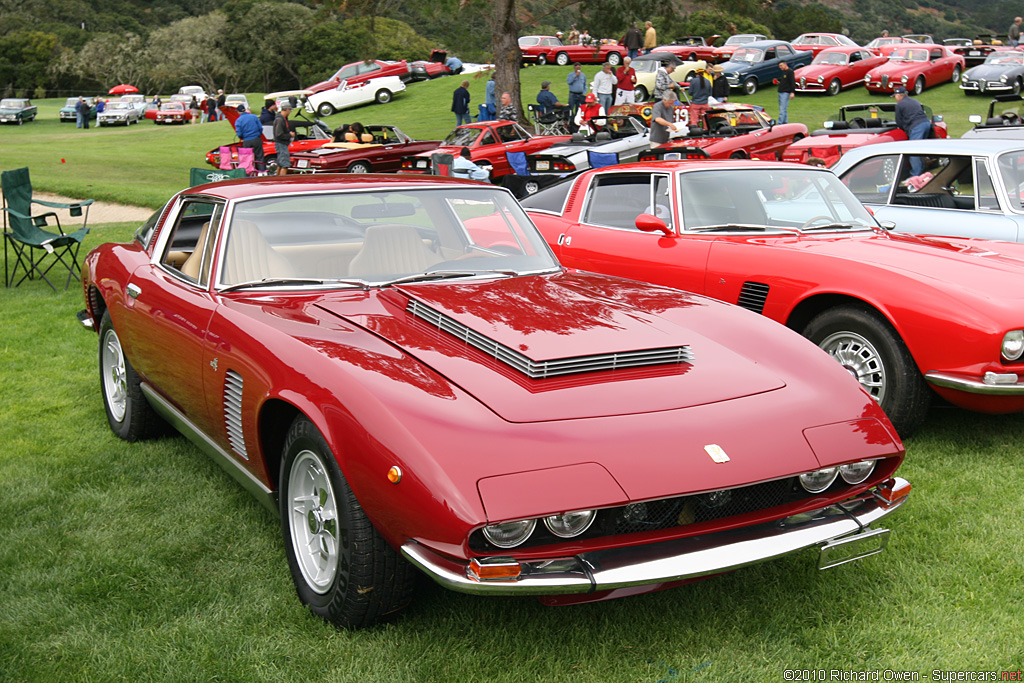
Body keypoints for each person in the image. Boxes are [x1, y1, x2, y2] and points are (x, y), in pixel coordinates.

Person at [893, 85, 932, 176]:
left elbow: (899, 121)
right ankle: (922, 169)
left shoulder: (900, 104)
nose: (895, 98)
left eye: (895, 95)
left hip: (917, 127)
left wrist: (904, 130)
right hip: (926, 124)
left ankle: (915, 175)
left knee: (913, 151)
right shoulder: (914, 100)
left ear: (899, 95)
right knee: (920, 149)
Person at [234, 105, 265, 172]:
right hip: (256, 139)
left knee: (247, 158)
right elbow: (260, 128)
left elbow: (239, 133)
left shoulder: (238, 121)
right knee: (260, 157)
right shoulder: (253, 116)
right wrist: (258, 134)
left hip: (247, 141)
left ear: (238, 112)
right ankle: (262, 172)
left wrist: (242, 137)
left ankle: (249, 172)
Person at [273, 101, 295, 176]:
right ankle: (282, 181)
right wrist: (289, 135)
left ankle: (277, 179)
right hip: (281, 143)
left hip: (280, 143)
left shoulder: (281, 118)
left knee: (280, 163)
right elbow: (279, 134)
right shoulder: (280, 120)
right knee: (285, 164)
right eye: (290, 110)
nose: (290, 112)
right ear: (287, 109)